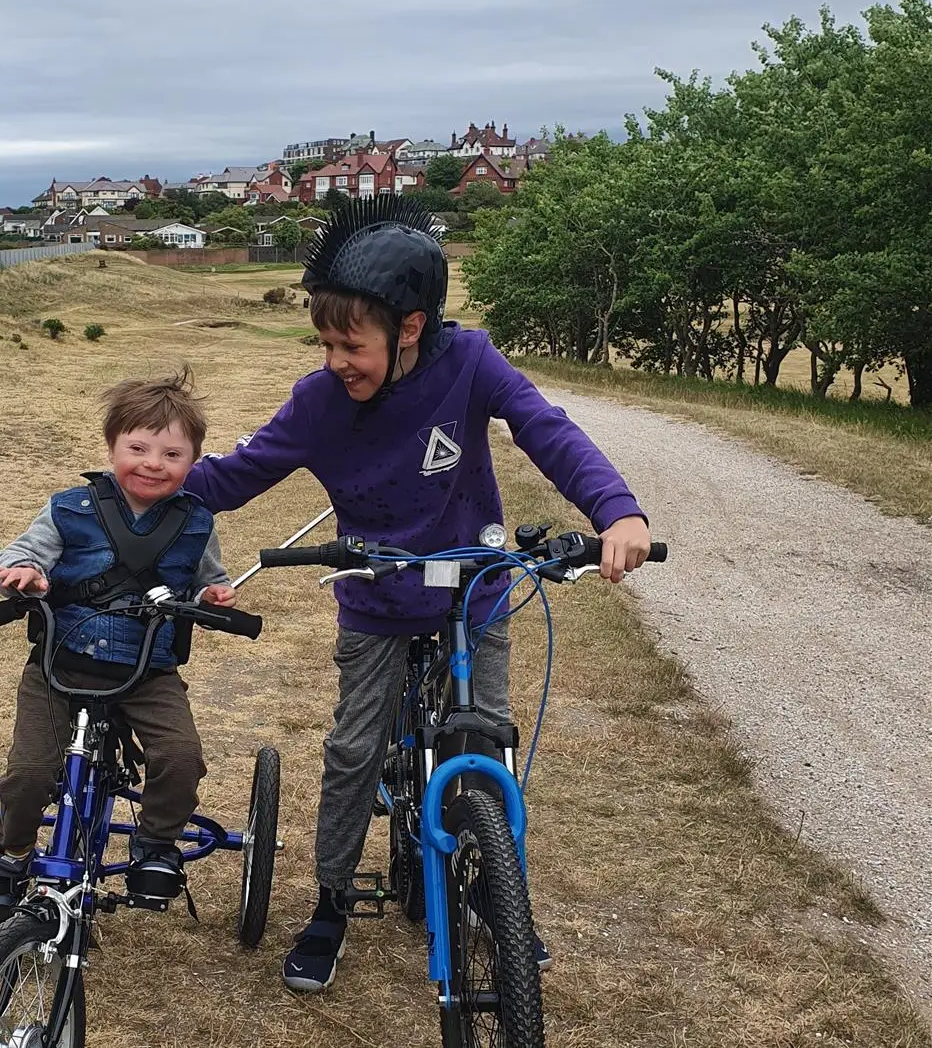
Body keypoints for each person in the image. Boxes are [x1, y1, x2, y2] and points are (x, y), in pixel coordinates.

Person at [183, 195, 654, 992]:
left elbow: (547, 429)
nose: (336, 359)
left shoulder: (469, 363)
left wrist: (618, 510)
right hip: (376, 596)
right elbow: (232, 477)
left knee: (485, 744)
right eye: (324, 341)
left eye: (350, 343)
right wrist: (145, 487)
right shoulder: (319, 401)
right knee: (355, 750)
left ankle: (494, 898)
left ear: (410, 327)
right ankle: (331, 901)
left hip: (473, 589)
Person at [0, 369, 238, 926]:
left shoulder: (196, 522)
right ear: (112, 446)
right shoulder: (70, 508)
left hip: (147, 671)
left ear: (192, 462)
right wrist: (23, 573)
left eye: (171, 454)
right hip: (58, 666)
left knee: (181, 757)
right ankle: (8, 851)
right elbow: (22, 555)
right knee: (30, 774)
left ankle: (157, 845)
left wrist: (214, 597)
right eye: (137, 448)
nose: (152, 464)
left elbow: (207, 582)